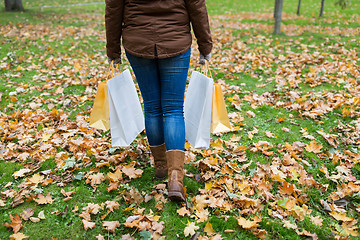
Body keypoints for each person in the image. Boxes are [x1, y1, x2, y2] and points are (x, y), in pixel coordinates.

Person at [105, 0, 212, 202]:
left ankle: (161, 167)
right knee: (173, 109)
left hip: (138, 42)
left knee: (152, 107)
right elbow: (197, 6)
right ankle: (175, 177)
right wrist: (205, 46)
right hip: (175, 41)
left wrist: (113, 51)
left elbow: (113, 9)